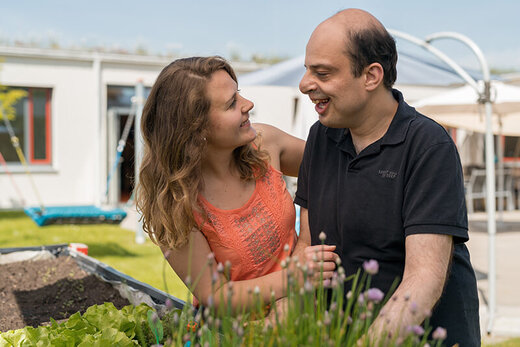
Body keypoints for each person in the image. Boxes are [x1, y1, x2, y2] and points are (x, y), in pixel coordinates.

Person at [295, 9, 480, 346]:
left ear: (371, 76)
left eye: (322, 72)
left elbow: (422, 280)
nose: (305, 84)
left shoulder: (428, 146)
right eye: (307, 70)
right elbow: (307, 248)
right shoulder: (321, 137)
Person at [136, 56, 338, 313]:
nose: (248, 104)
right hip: (236, 333)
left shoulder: (266, 145)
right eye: (232, 103)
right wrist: (293, 278)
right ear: (196, 130)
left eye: (239, 93)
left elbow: (331, 167)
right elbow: (215, 295)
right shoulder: (176, 203)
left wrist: (305, 241)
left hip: (304, 314)